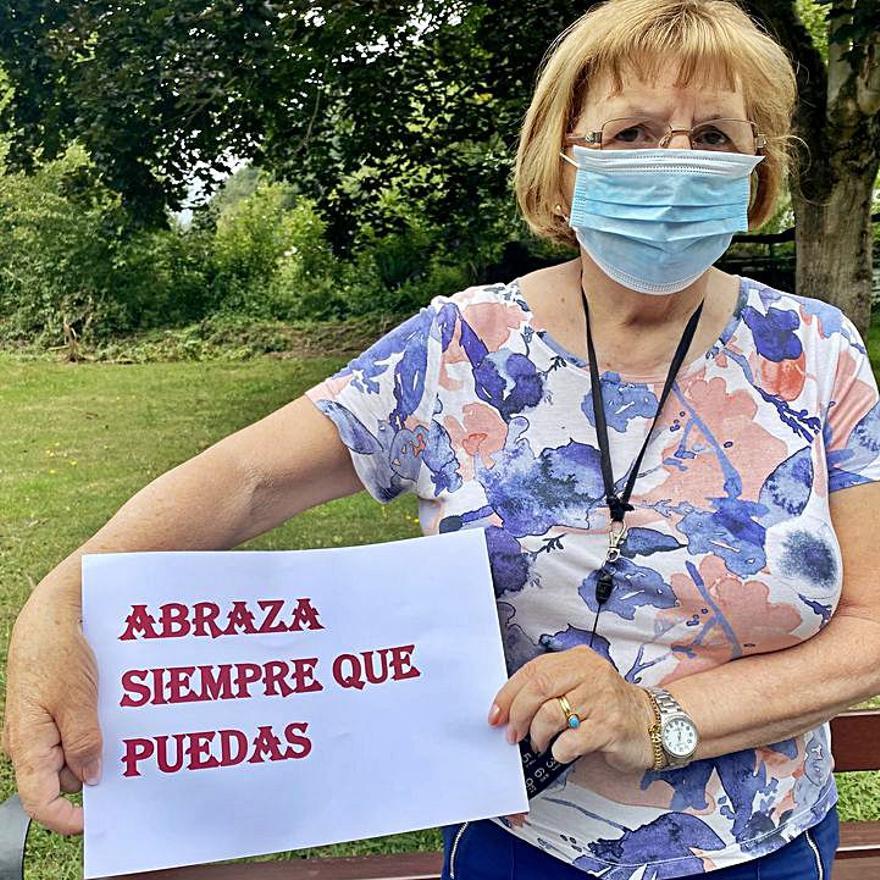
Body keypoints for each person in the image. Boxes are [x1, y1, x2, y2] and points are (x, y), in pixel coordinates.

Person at [4, 0, 880, 876]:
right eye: (634, 130)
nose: (675, 162)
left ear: (757, 169)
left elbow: (871, 626)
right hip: (516, 845)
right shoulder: (457, 347)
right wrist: (60, 597)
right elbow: (247, 479)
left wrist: (656, 722)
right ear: (565, 161)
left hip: (765, 846)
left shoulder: (817, 352)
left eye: (716, 136)